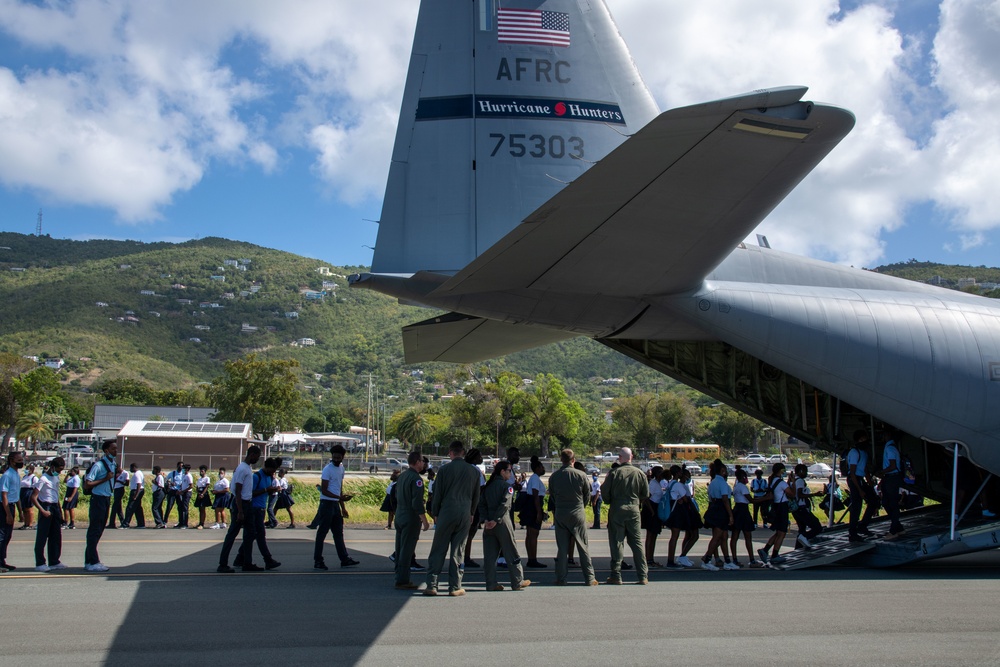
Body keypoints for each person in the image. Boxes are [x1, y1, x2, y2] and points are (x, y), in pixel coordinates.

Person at [423, 440, 481, 597]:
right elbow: (476, 496)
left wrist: (435, 512)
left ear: (450, 453)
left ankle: (432, 584)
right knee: (458, 550)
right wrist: (472, 512)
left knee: (438, 549)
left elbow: (437, 494)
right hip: (464, 512)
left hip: (446, 511)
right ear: (462, 452)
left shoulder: (444, 470)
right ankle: (455, 586)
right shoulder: (474, 472)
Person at [548, 449, 598, 586]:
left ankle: (561, 578)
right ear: (573, 460)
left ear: (561, 460)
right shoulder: (581, 475)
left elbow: (552, 495)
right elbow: (587, 495)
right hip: (577, 511)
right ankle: (589, 577)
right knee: (583, 546)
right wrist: (582, 506)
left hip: (561, 512)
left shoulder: (554, 476)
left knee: (562, 548)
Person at [480, 460, 531, 591]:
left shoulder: (488, 486)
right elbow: (505, 504)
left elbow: (482, 504)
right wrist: (496, 520)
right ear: (502, 471)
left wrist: (486, 520)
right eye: (509, 470)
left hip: (489, 523)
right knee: (511, 551)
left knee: (490, 556)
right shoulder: (506, 486)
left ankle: (490, 583)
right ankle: (517, 580)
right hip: (502, 521)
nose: (511, 473)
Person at [600, 447, 649, 584]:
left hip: (617, 509)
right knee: (637, 543)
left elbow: (605, 492)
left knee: (617, 542)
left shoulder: (614, 473)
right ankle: (642, 575)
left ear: (620, 458)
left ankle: (616, 574)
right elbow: (645, 494)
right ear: (631, 457)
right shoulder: (640, 473)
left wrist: (610, 501)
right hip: (634, 508)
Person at [314, 445, 360, 570]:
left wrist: (343, 507)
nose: (336, 459)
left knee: (338, 533)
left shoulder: (341, 468)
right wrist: (339, 498)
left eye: (338, 457)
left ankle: (344, 559)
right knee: (322, 534)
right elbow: (324, 490)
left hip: (335, 505)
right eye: (334, 457)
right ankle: (318, 561)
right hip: (326, 504)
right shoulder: (327, 470)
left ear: (343, 457)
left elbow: (339, 488)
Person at [217, 445, 261, 573]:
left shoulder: (246, 467)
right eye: (257, 457)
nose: (257, 459)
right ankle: (223, 563)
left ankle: (246, 562)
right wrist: (240, 511)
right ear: (252, 454)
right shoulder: (242, 469)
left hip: (247, 504)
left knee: (251, 533)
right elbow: (238, 489)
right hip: (241, 505)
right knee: (232, 534)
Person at [393, 451, 430, 590]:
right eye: (422, 461)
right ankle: (403, 579)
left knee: (399, 546)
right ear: (417, 462)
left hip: (400, 513)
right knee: (407, 549)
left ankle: (399, 574)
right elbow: (417, 503)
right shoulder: (416, 479)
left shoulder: (402, 477)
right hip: (410, 516)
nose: (423, 463)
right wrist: (425, 521)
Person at [237, 457, 280, 571]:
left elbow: (266, 493)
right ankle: (268, 559)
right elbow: (250, 493)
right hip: (254, 509)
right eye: (271, 470)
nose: (272, 473)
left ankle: (240, 557)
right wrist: (266, 490)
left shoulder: (269, 477)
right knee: (260, 534)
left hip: (261, 508)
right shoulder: (257, 477)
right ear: (266, 467)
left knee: (252, 535)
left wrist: (272, 490)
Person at [83, 440, 118, 572]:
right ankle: (93, 561)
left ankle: (90, 560)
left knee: (99, 530)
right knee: (94, 530)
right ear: (106, 451)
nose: (116, 451)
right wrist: (105, 479)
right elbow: (88, 484)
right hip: (98, 499)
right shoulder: (99, 465)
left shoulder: (112, 464)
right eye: (113, 449)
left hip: (106, 498)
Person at [32, 457, 67, 571]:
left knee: (56, 536)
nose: (59, 472)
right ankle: (40, 562)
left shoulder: (55, 477)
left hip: (55, 506)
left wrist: (59, 511)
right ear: (52, 467)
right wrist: (42, 510)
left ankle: (54, 560)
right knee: (42, 536)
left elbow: (55, 495)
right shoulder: (43, 479)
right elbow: (33, 497)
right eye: (58, 469)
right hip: (46, 506)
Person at [701, 460, 736, 571]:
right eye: (725, 471)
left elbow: (711, 498)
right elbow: (725, 499)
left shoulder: (713, 482)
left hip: (715, 506)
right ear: (722, 471)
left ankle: (727, 560)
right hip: (721, 509)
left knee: (724, 536)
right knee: (717, 536)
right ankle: (707, 559)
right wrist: (730, 515)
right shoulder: (722, 483)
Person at [665, 466, 701, 570]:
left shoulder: (670, 483)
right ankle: (670, 561)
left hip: (673, 510)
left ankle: (672, 559)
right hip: (678, 512)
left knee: (674, 537)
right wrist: (682, 499)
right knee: (674, 537)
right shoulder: (678, 485)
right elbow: (686, 499)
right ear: (678, 473)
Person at [755, 463, 791, 566]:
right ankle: (775, 555)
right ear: (780, 471)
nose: (784, 472)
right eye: (783, 470)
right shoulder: (781, 483)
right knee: (782, 533)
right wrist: (792, 482)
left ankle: (765, 550)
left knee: (778, 532)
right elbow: (792, 493)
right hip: (782, 507)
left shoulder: (772, 481)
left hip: (776, 507)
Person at [847, 430, 878, 542]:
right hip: (854, 479)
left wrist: (869, 484)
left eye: (865, 439)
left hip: (860, 479)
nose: (864, 442)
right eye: (861, 440)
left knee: (874, 501)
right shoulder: (855, 453)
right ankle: (852, 532)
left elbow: (865, 469)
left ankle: (862, 526)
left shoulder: (864, 453)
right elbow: (853, 472)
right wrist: (860, 490)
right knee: (856, 506)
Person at [729, 468, 762, 567]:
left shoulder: (736, 486)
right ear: (743, 477)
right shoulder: (742, 487)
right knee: (747, 536)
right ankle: (752, 560)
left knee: (735, 536)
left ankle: (735, 559)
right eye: (745, 477)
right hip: (743, 510)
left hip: (737, 509)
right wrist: (766, 498)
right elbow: (751, 500)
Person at [520, 456, 548, 569]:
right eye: (541, 467)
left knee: (530, 534)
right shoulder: (535, 478)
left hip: (531, 506)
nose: (543, 469)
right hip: (533, 506)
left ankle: (531, 558)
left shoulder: (534, 478)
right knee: (533, 534)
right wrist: (539, 512)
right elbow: (535, 495)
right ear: (537, 468)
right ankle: (533, 559)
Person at [1, 451, 25, 572]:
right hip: (4, 507)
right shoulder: (7, 475)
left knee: (7, 536)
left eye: (22, 460)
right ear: (11, 461)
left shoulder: (16, 474)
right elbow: (4, 495)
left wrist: (20, 512)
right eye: (19, 460)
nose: (21, 462)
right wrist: (8, 514)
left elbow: (16, 495)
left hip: (12, 505)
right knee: (2, 535)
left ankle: (2, 561)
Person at [878, 433, 905, 538]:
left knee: (892, 503)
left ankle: (894, 530)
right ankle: (898, 527)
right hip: (889, 477)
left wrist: (882, 471)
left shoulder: (890, 448)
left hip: (892, 477)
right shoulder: (890, 447)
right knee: (886, 502)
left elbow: (893, 466)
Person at [462, 449, 485, 568]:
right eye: (480, 456)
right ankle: (466, 557)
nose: (481, 458)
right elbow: (481, 488)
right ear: (474, 458)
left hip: (463, 503)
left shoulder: (464, 468)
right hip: (474, 505)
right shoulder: (475, 470)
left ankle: (462, 556)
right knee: (470, 533)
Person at [792, 463, 823, 548]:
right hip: (802, 508)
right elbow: (800, 494)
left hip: (796, 510)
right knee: (817, 527)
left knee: (802, 529)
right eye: (805, 471)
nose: (806, 473)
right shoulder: (800, 481)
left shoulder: (794, 480)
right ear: (801, 471)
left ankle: (798, 547)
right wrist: (814, 494)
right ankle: (805, 537)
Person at [642, 465, 665, 568]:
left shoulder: (658, 483)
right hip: (652, 509)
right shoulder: (653, 484)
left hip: (656, 509)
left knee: (654, 535)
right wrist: (651, 511)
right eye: (661, 472)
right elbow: (646, 498)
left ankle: (651, 558)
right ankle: (648, 559)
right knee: (650, 535)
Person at [122, 463, 146, 529]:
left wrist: (136, 495)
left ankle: (125, 524)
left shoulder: (137, 474)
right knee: (138, 508)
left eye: (131, 468)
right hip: (139, 490)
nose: (130, 469)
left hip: (136, 491)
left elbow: (139, 484)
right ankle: (141, 524)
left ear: (134, 467)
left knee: (130, 508)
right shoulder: (140, 473)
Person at [19, 462, 38, 530]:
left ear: (32, 470)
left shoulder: (34, 477)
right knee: (24, 509)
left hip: (29, 492)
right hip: (23, 492)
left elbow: (36, 486)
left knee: (29, 509)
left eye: (28, 469)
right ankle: (26, 523)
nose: (26, 470)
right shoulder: (25, 476)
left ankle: (30, 524)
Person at [174, 463, 193, 529]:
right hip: (182, 492)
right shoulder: (184, 475)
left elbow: (191, 486)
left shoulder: (189, 476)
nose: (183, 470)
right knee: (181, 508)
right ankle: (181, 522)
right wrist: (180, 490)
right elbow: (183, 484)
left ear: (187, 469)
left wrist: (183, 491)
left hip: (187, 493)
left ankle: (185, 524)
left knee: (185, 508)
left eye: (184, 469)